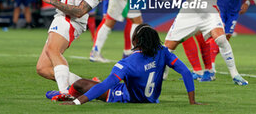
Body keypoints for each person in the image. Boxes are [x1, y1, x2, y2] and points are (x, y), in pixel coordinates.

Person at [48, 24, 198, 105]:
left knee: (80, 83)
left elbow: (106, 85)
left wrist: (77, 103)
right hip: (152, 99)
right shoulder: (162, 51)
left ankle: (66, 94)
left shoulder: (127, 63)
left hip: (124, 96)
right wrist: (192, 101)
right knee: (99, 84)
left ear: (136, 41)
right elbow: (185, 72)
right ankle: (89, 86)